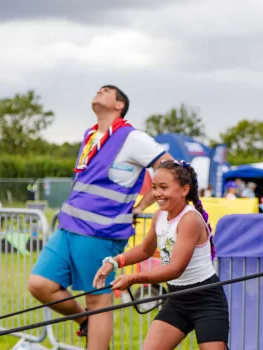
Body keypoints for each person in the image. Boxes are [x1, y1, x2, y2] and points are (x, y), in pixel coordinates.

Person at [27, 85, 173, 350]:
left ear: (119, 105)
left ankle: (93, 326)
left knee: (98, 300)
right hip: (68, 227)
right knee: (39, 284)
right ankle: (84, 320)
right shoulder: (91, 135)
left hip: (100, 233)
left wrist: (142, 206)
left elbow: (169, 167)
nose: (98, 91)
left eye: (106, 90)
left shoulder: (132, 137)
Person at [93, 160, 228, 350]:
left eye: (164, 187)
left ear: (184, 190)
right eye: (154, 187)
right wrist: (114, 262)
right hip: (177, 300)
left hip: (206, 300)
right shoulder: (160, 215)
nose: (157, 193)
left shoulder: (190, 220)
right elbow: (145, 250)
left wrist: (133, 278)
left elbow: (175, 269)